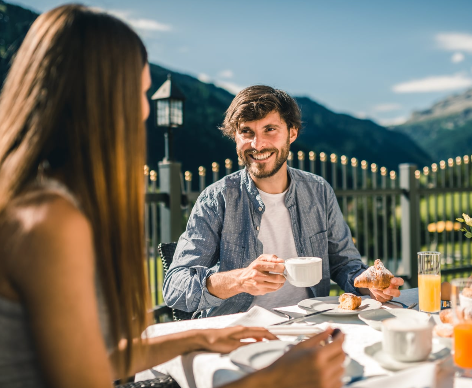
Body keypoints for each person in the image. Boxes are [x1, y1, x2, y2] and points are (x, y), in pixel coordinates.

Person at [0, 5, 346, 388]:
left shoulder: (30, 201)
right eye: (138, 92)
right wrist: (277, 382)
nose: (143, 110)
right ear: (101, 99)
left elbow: (95, 355)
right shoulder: (48, 221)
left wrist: (200, 335)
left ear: (292, 134)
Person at [163, 85, 404, 318]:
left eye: (270, 129)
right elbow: (175, 287)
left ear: (292, 133)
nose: (258, 145)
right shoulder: (217, 199)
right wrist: (240, 280)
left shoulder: (319, 191)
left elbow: (345, 265)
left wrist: (369, 285)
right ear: (235, 137)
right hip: (237, 333)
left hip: (311, 326)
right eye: (247, 132)